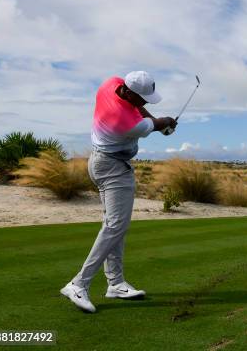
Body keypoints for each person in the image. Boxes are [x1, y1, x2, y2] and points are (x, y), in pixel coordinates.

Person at [60, 71, 176, 313]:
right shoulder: (124, 120)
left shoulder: (110, 84)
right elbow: (152, 124)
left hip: (100, 162)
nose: (145, 103)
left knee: (116, 225)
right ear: (130, 92)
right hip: (113, 169)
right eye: (142, 98)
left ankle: (115, 283)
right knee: (115, 226)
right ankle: (78, 284)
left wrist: (161, 122)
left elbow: (148, 117)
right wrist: (166, 123)